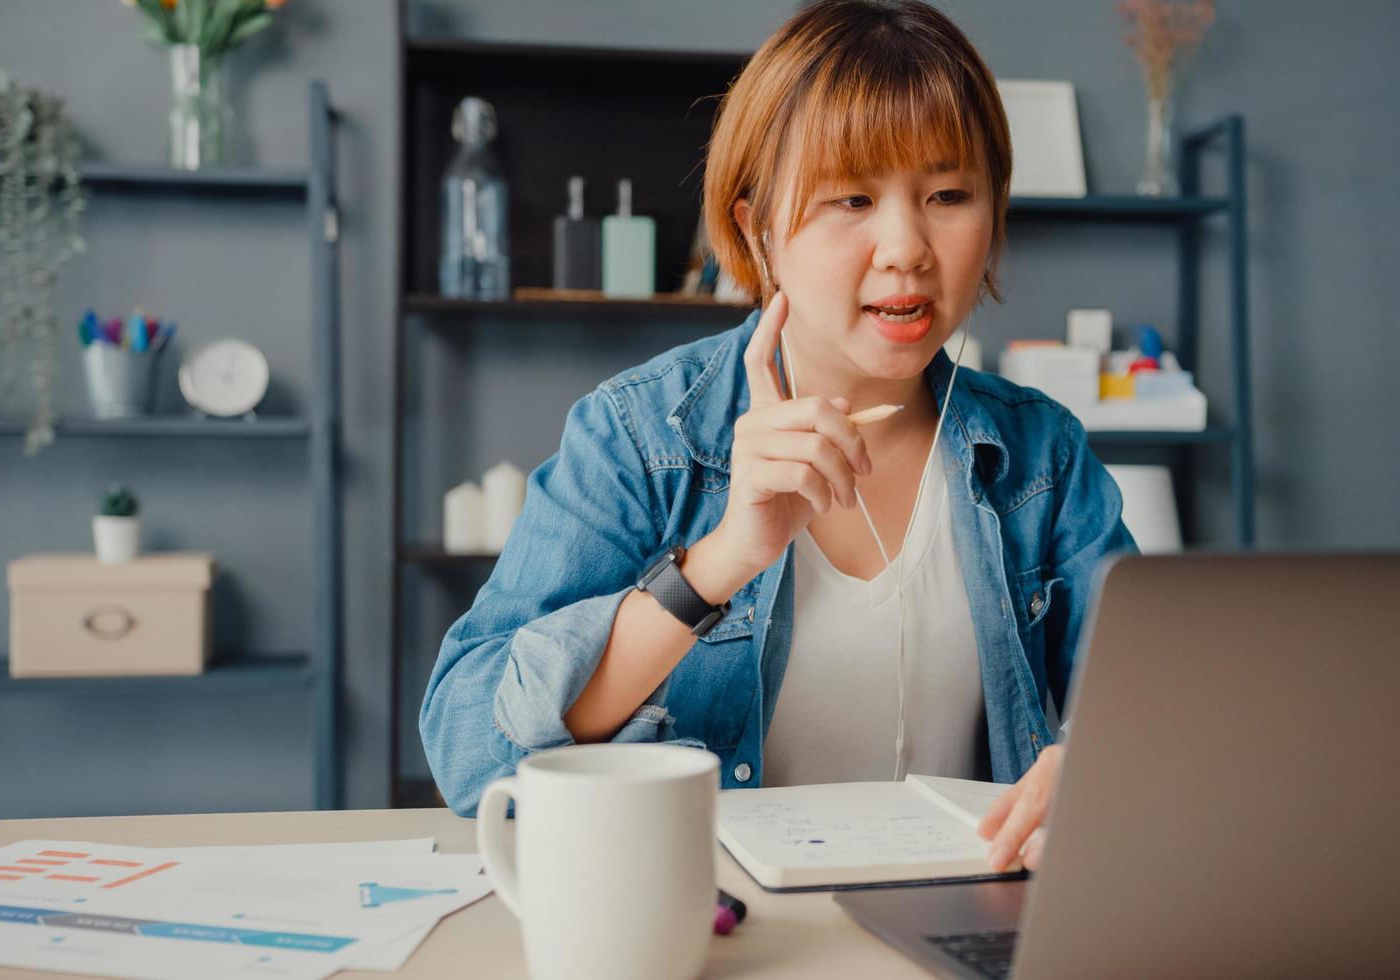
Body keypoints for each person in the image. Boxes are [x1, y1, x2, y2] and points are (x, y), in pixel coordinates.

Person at [420, 0, 1136, 872]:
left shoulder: (1040, 453)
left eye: (948, 195)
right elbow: (466, 748)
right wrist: (722, 558)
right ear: (756, 225)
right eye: (852, 199)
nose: (906, 247)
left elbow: (1156, 709)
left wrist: (1100, 767)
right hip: (721, 930)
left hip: (967, 926)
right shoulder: (642, 432)